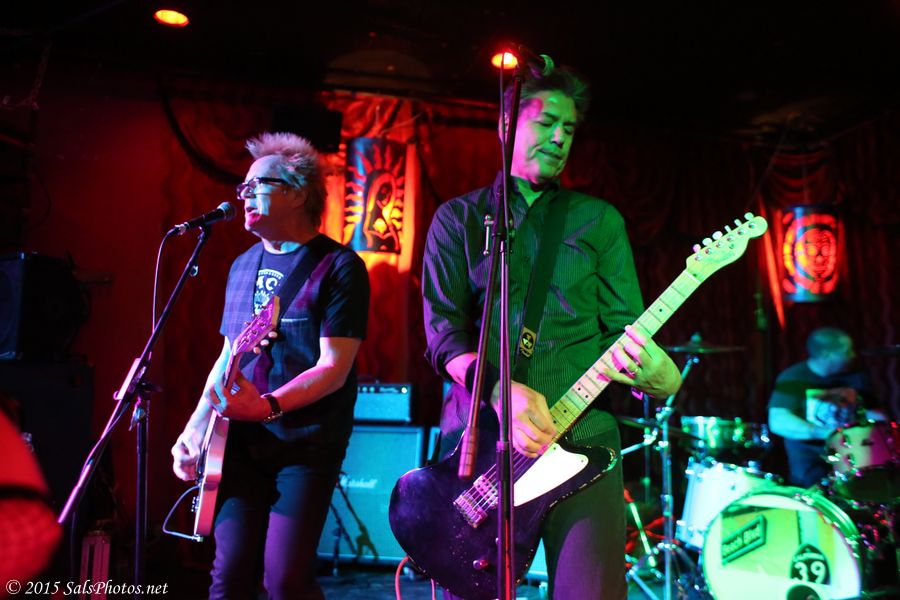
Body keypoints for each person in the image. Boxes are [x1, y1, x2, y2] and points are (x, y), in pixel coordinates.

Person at [422, 67, 682, 599]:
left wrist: (656, 374)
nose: (560, 137)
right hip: (480, 439)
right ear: (506, 125)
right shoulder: (459, 219)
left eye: (569, 128)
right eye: (546, 123)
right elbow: (443, 335)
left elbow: (624, 333)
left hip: (584, 436)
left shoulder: (598, 220)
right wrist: (499, 390)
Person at [171, 132, 369, 599]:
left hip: (306, 445)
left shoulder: (339, 267)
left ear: (298, 194)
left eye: (256, 185)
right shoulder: (242, 265)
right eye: (242, 187)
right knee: (229, 578)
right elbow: (228, 356)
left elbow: (334, 367)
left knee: (284, 581)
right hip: (240, 443)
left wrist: (268, 406)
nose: (243, 196)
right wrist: (195, 427)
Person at [768, 326, 884, 488]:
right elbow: (778, 421)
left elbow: (875, 414)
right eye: (847, 352)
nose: (853, 355)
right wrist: (830, 434)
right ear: (827, 355)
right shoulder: (793, 377)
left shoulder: (857, 376)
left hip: (853, 455)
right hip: (810, 460)